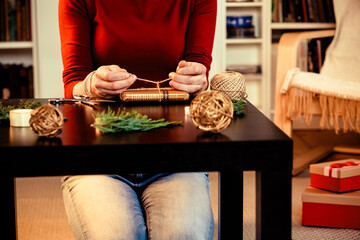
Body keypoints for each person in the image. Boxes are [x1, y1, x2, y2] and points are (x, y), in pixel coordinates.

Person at [59, 0, 217, 239]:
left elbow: (199, 66)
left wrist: (198, 80)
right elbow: (73, 81)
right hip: (96, 158)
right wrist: (90, 84)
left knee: (185, 234)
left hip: (177, 157)